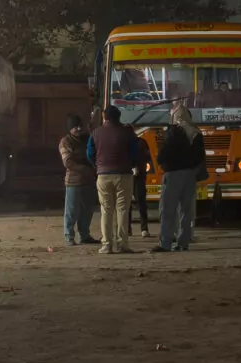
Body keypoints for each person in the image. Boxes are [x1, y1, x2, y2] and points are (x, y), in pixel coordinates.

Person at [87, 106, 141, 254]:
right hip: (124, 174)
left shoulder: (96, 133)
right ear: (119, 117)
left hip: (103, 175)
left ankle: (106, 245)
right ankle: (122, 244)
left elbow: (89, 153)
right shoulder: (127, 132)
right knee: (123, 209)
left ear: (105, 117)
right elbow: (135, 152)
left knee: (106, 210)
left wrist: (98, 166)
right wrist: (131, 164)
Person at [153, 104, 206, 252]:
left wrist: (163, 164)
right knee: (186, 210)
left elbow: (164, 153)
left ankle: (165, 243)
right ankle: (183, 243)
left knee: (167, 209)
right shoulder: (196, 132)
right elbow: (200, 156)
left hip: (173, 174)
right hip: (190, 174)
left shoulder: (173, 131)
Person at [59, 114, 99, 246]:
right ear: (70, 128)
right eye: (75, 127)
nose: (79, 129)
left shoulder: (87, 138)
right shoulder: (66, 141)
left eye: (80, 126)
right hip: (74, 182)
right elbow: (68, 162)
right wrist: (87, 169)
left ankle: (84, 235)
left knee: (87, 211)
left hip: (88, 181)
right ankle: (69, 236)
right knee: (71, 211)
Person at [128, 125, 152, 237]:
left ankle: (131, 229)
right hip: (131, 175)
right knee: (138, 203)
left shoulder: (140, 143)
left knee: (138, 203)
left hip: (135, 176)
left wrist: (138, 167)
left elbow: (147, 157)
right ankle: (142, 229)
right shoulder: (139, 142)